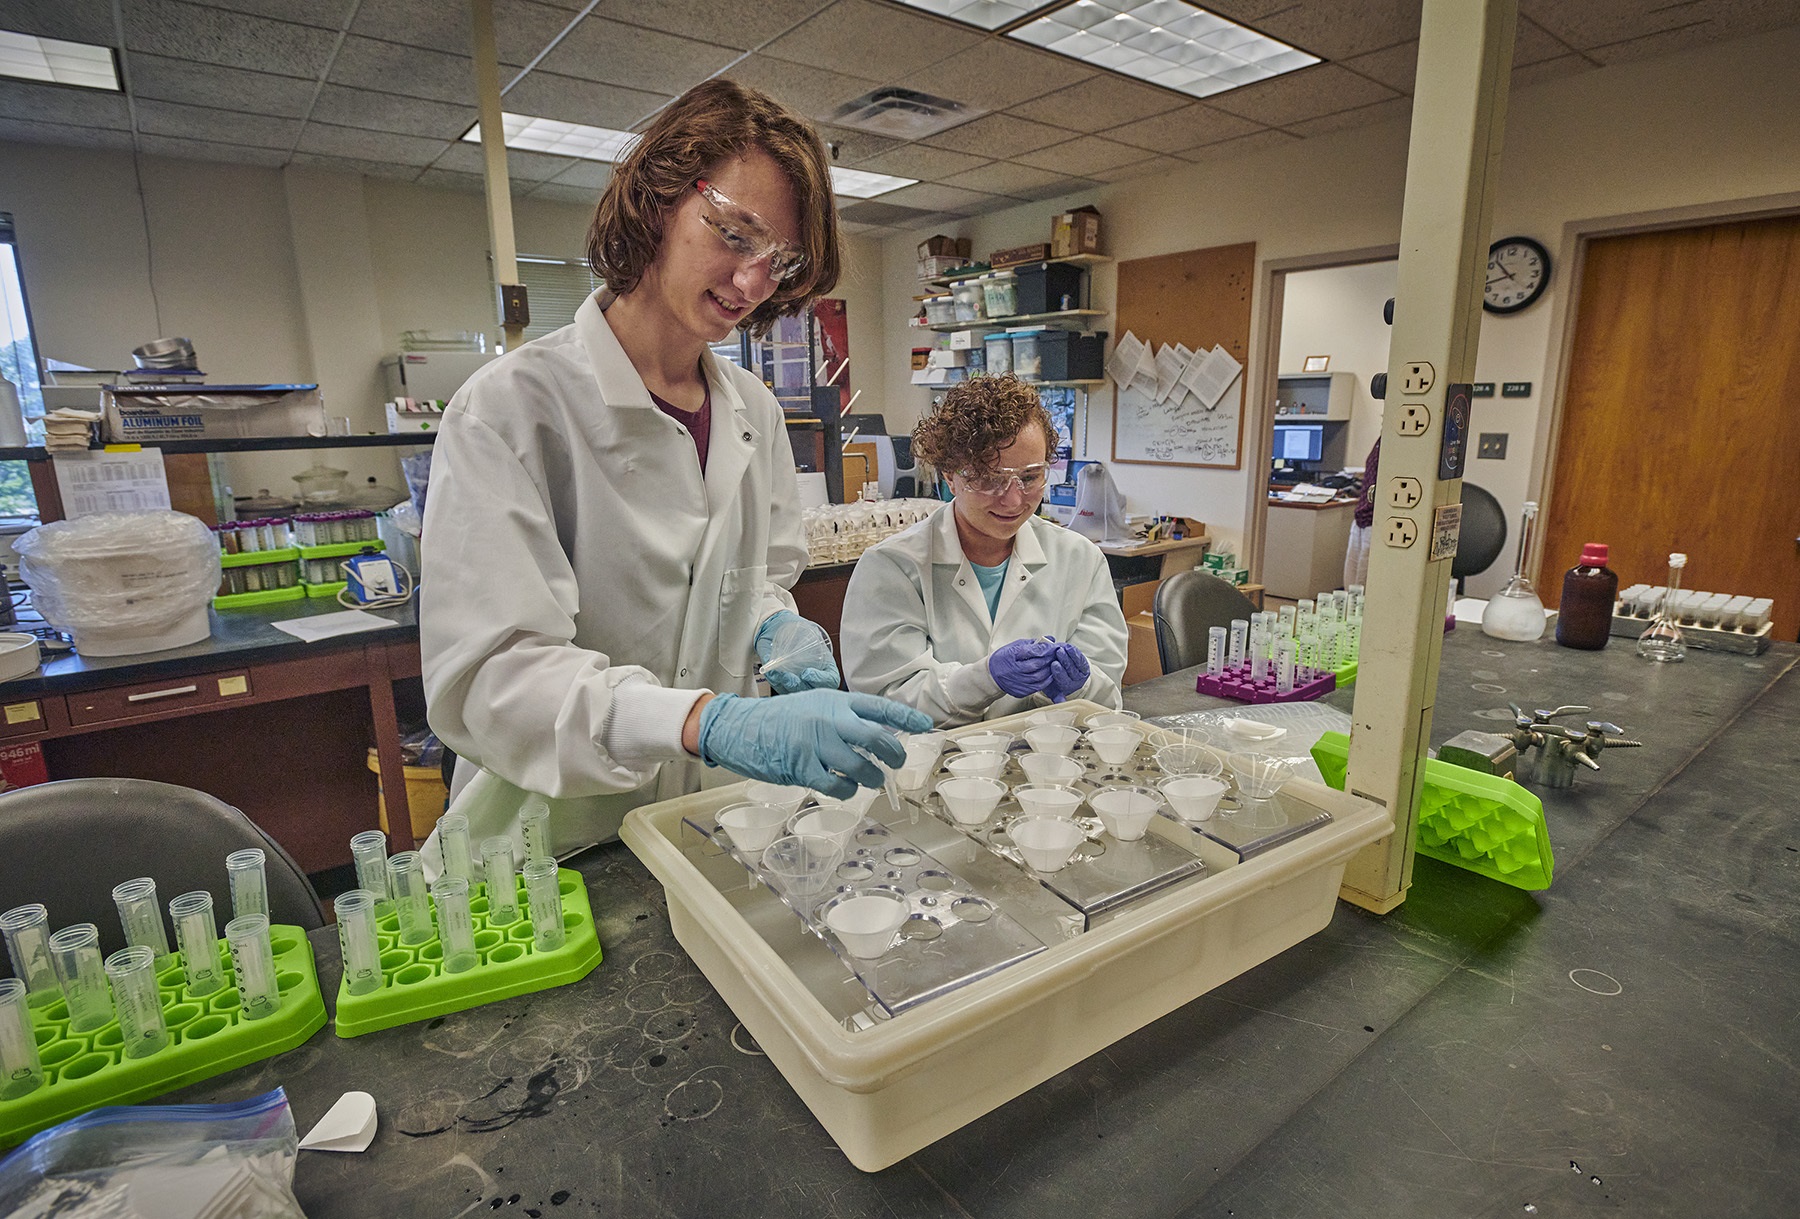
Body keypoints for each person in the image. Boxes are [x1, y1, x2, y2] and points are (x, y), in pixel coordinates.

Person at [419, 79, 930, 866]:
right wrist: (706, 720)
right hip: (550, 850)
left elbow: (752, 576)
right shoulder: (513, 410)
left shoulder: (755, 413)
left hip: (705, 824)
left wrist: (774, 624)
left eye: (780, 260)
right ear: (659, 197)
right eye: (734, 234)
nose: (755, 282)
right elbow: (494, 681)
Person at [840, 374, 1129, 725]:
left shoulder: (1080, 560)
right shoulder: (892, 567)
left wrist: (1082, 685)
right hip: (932, 767)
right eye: (987, 478)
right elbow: (885, 702)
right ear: (949, 475)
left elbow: (1106, 694)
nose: (1012, 499)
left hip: (1047, 764)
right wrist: (984, 680)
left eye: (1029, 477)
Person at [1344, 436, 1379, 587]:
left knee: (1362, 582)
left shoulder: (1398, 444)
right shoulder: (1380, 441)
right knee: (1351, 577)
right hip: (1361, 516)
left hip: (1374, 520)